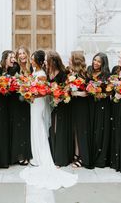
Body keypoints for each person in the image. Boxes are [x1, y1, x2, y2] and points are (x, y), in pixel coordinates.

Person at [20, 50, 78, 190]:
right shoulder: (36, 71)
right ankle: (36, 155)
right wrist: (28, 93)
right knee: (35, 126)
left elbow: (43, 91)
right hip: (34, 103)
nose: (31, 60)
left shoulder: (41, 75)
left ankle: (42, 156)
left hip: (39, 103)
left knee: (39, 126)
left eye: (33, 59)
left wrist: (31, 94)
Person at [47, 51, 72, 166]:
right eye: (49, 61)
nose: (50, 63)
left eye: (52, 61)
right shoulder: (47, 73)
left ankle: (60, 158)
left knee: (59, 129)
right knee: (51, 128)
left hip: (61, 104)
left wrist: (59, 98)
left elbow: (66, 89)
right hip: (50, 103)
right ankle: (51, 155)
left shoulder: (63, 73)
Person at [87, 52, 111, 168]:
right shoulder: (89, 70)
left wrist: (102, 94)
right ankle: (90, 156)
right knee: (91, 129)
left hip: (103, 105)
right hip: (91, 104)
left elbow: (110, 91)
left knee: (100, 130)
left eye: (98, 61)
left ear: (103, 63)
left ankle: (100, 158)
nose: (95, 63)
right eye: (94, 60)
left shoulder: (107, 74)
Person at [9, 46, 32, 165]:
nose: (22, 55)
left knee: (27, 128)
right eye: (20, 54)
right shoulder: (15, 67)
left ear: (27, 54)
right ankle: (19, 155)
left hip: (29, 102)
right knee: (18, 128)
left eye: (24, 53)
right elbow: (10, 82)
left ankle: (27, 153)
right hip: (16, 101)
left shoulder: (31, 67)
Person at [69, 51, 92, 169]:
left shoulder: (86, 74)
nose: (68, 60)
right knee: (75, 130)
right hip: (73, 104)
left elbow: (88, 92)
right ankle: (77, 153)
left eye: (70, 58)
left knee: (81, 130)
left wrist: (76, 92)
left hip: (82, 106)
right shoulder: (71, 73)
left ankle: (82, 157)